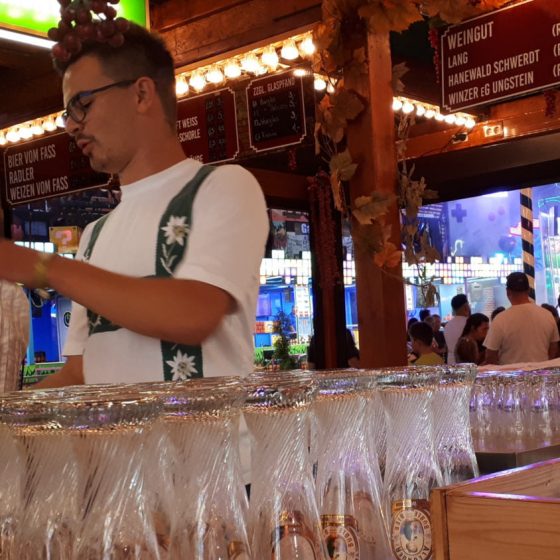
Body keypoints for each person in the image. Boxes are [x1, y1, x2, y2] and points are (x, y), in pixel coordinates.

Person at [0, 22, 268, 388]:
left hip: (207, 446)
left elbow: (194, 312)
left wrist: (42, 267)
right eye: (68, 114)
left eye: (83, 104)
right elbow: (80, 372)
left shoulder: (224, 186)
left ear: (142, 94)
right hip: (113, 448)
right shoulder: (94, 236)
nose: (72, 127)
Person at [484, 272, 559, 365]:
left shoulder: (500, 319)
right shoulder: (547, 315)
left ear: (508, 292)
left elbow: (490, 355)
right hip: (541, 375)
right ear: (528, 290)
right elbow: (553, 347)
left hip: (512, 376)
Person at [444, 294, 471, 364]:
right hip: (467, 362)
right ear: (466, 307)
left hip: (451, 362)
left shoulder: (447, 325)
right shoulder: (469, 323)